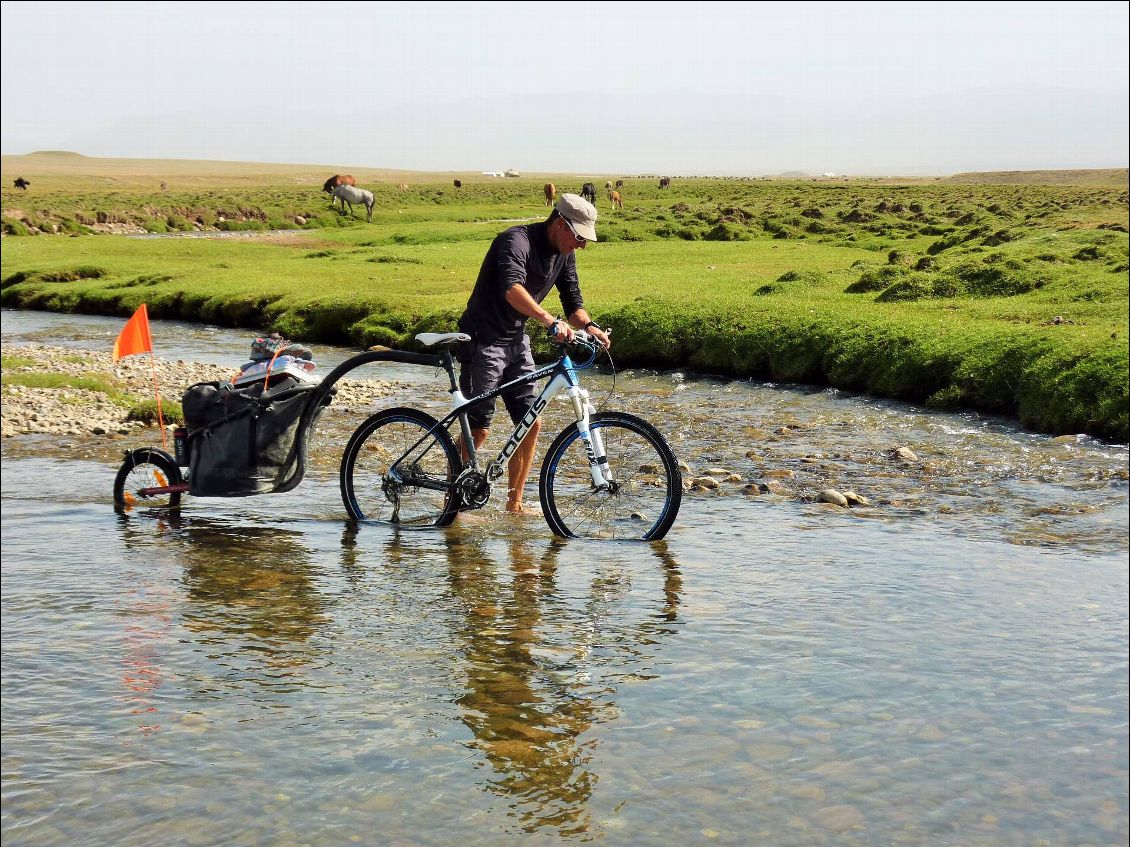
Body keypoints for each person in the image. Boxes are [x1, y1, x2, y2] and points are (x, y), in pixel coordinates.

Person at [457, 192, 612, 514]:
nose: (582, 245)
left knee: (531, 421)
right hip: (483, 339)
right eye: (579, 237)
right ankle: (452, 501)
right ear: (560, 224)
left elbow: (573, 302)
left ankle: (514, 504)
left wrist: (591, 326)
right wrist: (548, 320)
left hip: (516, 340)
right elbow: (511, 289)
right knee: (479, 427)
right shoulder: (515, 242)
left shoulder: (564, 253)